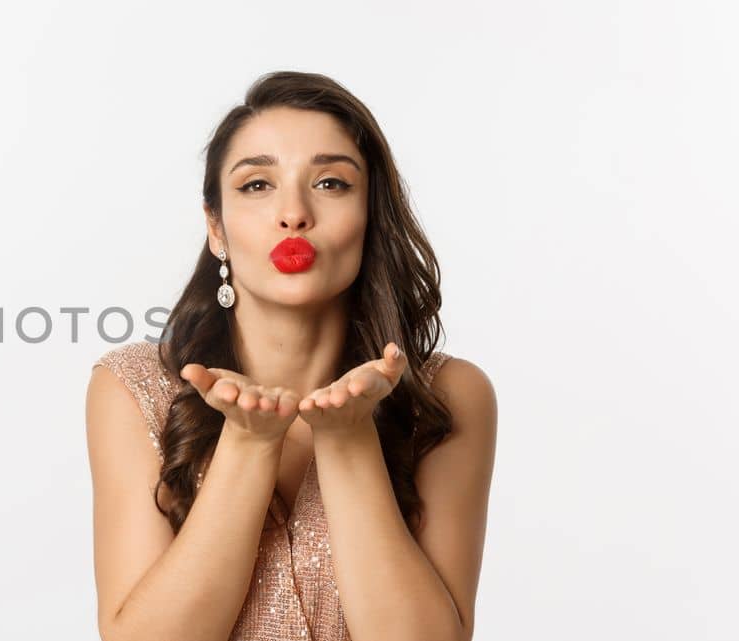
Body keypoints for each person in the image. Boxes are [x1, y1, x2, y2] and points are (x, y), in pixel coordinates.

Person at [85, 71, 497, 641]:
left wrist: (349, 439)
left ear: (372, 214)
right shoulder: (134, 387)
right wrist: (249, 443)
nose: (294, 213)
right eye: (257, 185)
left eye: (331, 183)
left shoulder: (449, 394)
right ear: (216, 228)